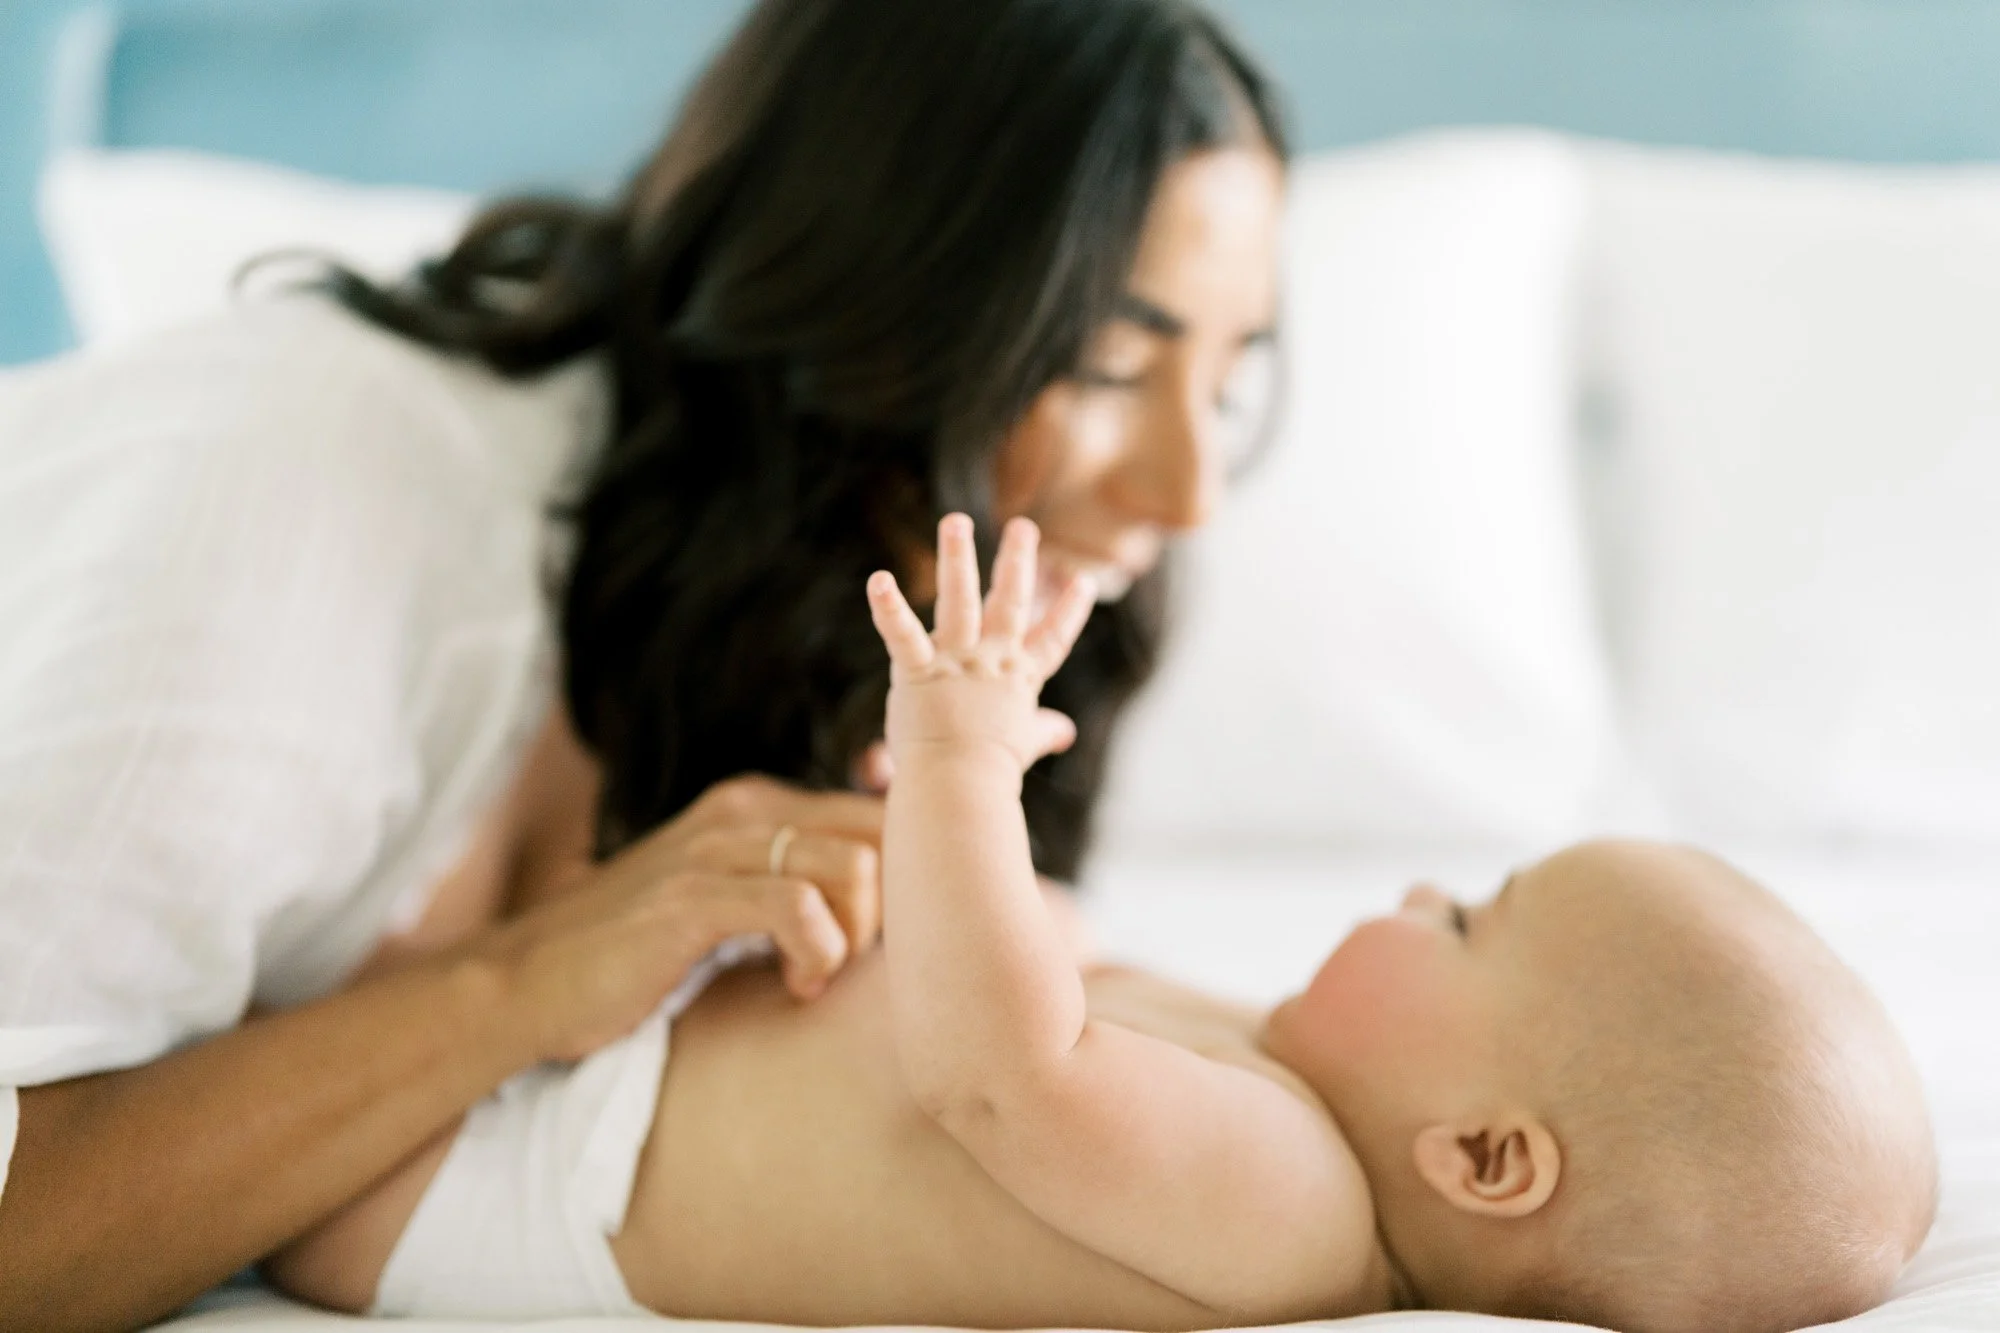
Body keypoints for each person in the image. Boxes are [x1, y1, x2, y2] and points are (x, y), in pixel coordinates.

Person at [0, 1, 1286, 1328]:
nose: (1191, 495)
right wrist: (516, 988)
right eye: (1110, 365)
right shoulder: (314, 510)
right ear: (867, 295)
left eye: (1232, 379)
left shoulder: (892, 613)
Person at [270, 513, 1938, 1333]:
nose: (1426, 891)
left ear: (1485, 1161)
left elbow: (1010, 1074)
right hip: (625, 1051)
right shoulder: (1291, 1089)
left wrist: (965, 766)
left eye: (1472, 928)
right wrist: (958, 855)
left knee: (295, 1055)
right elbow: (1056, 983)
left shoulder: (1290, 1207)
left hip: (531, 1185)